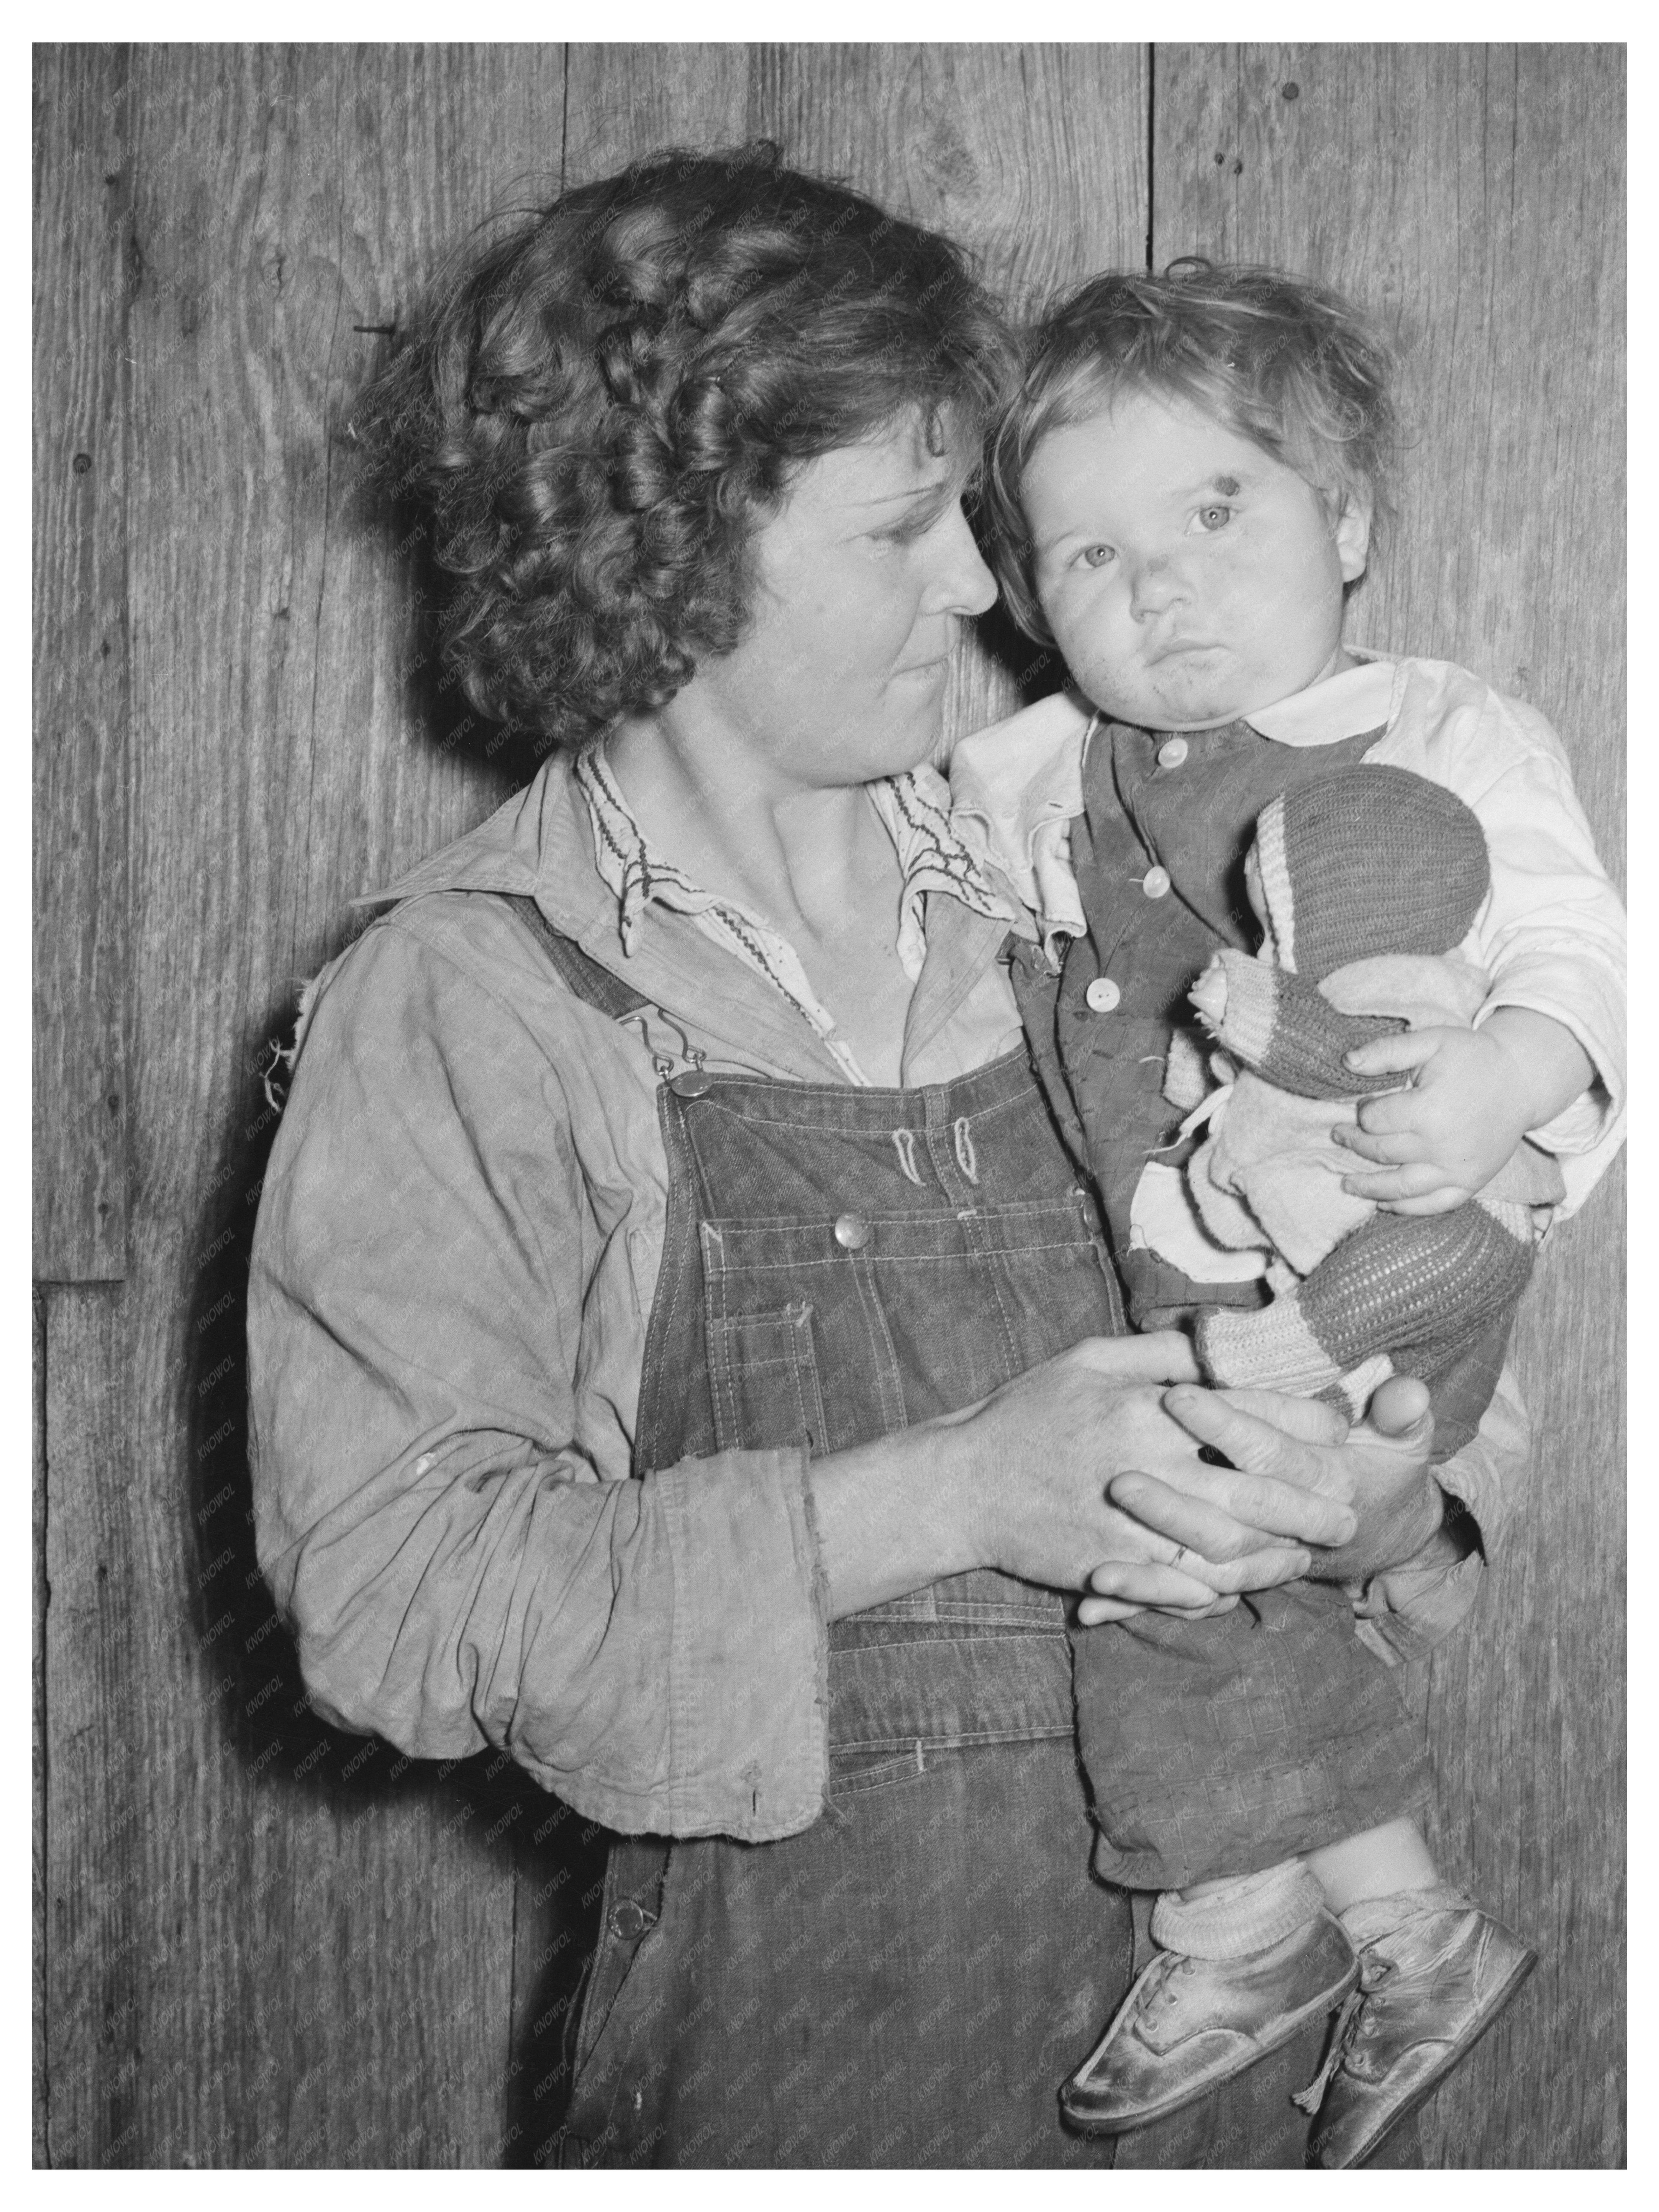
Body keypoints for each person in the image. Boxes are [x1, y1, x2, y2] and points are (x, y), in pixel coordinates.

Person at [248, 153, 1529, 2169]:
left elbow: (1434, 1266)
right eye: (899, 526)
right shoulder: (470, 1000)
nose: (981, 587)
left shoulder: (1096, 863)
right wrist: (952, 1494)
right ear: (666, 559)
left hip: (1244, 2088)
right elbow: (391, 1601)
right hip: (800, 2089)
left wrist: (1391, 1507)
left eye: (967, 510)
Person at [955, 261, 1625, 2166]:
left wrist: (1508, 1070)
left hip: (1383, 1267)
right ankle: (1386, 1923)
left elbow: (1583, 945)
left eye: (1215, 511)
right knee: (1180, 1543)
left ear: (1346, 522)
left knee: (1179, 1551)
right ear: (1032, 599)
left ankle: (1242, 1923)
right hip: (1181, 1272)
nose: (1158, 588)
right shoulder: (1032, 772)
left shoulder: (1440, 726)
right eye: (1090, 555)